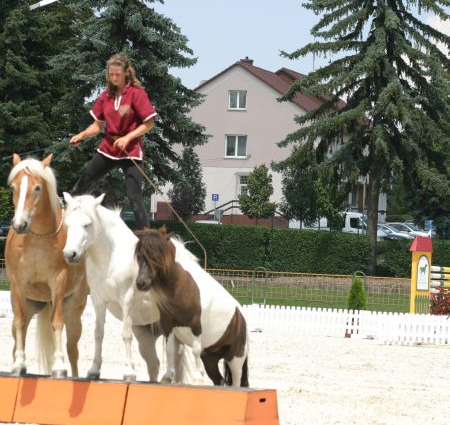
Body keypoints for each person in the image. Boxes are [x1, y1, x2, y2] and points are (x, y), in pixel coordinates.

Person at [69, 53, 157, 229]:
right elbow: (97, 126)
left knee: (135, 199)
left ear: (126, 73)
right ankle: (68, 227)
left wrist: (128, 137)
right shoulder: (105, 96)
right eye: (111, 74)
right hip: (108, 148)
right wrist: (82, 135)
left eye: (117, 74)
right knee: (80, 186)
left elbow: (149, 123)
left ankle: (147, 240)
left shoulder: (136, 94)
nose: (114, 77)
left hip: (130, 150)